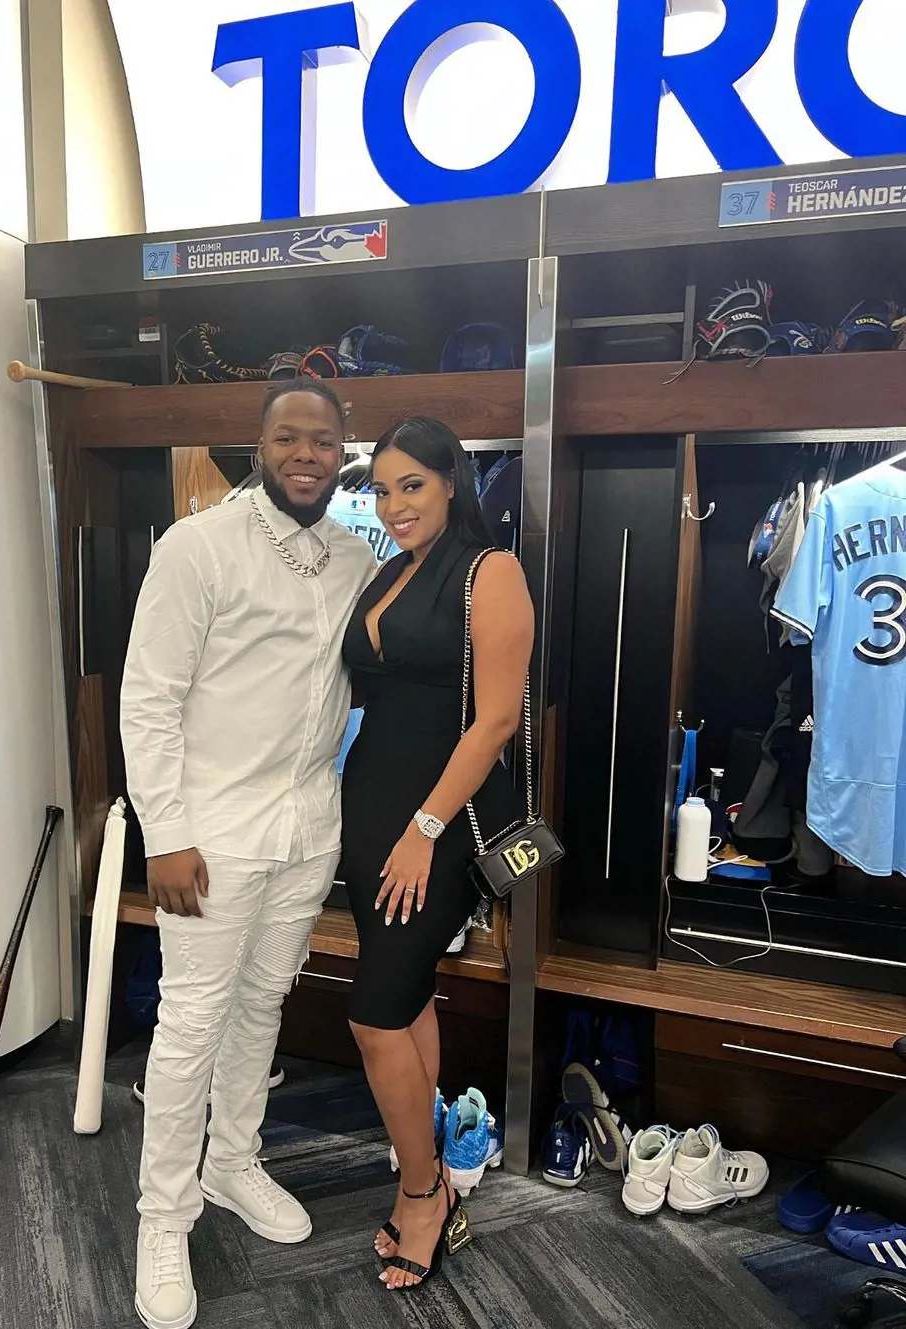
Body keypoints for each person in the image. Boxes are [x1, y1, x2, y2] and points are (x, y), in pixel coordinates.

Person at [121, 378, 376, 1329]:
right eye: (287, 438)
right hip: (211, 836)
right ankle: (164, 1215)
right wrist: (167, 833)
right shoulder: (198, 548)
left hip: (308, 831)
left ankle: (232, 1163)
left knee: (263, 1002)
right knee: (190, 1023)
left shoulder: (354, 557)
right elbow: (147, 697)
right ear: (259, 445)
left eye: (322, 441)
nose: (305, 453)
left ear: (342, 452)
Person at [341, 417, 534, 1291]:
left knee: (375, 1011)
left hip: (439, 823)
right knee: (408, 992)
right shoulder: (391, 569)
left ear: (452, 482)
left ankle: (425, 1192)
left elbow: (495, 719)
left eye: (411, 484)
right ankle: (430, 1149)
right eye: (381, 489)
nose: (393, 504)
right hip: (374, 806)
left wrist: (424, 830)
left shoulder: (490, 572)